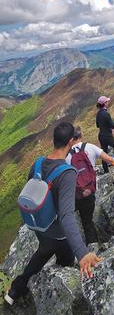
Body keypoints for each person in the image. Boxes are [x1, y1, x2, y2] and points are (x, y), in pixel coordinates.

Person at [5, 122, 102, 305]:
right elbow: (66, 215)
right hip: (57, 231)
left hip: (38, 224)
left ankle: (16, 289)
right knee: (66, 261)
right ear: (71, 142)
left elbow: (31, 191)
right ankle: (54, 295)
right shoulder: (67, 173)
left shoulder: (38, 163)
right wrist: (82, 253)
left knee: (43, 251)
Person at [65, 127, 114, 244]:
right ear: (81, 135)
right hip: (88, 192)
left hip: (73, 194)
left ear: (70, 138)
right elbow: (111, 160)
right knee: (88, 223)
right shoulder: (90, 147)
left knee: (70, 222)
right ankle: (93, 249)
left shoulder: (65, 154)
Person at [96, 96, 114, 173]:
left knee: (104, 155)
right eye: (107, 102)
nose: (108, 102)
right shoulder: (106, 114)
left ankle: (106, 172)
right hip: (107, 136)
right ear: (104, 104)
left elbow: (98, 125)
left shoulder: (98, 114)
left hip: (101, 136)